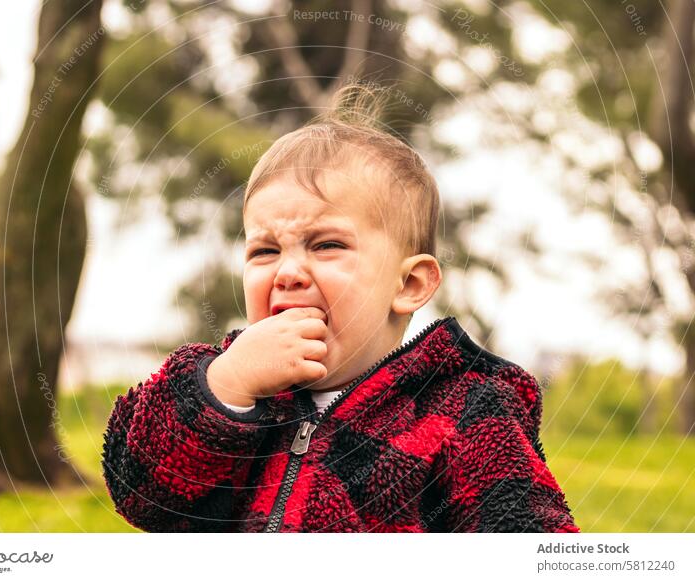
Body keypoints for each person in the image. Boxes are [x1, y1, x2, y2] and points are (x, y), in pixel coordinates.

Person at [101, 85, 579, 533]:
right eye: (264, 251)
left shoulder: (463, 414)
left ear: (409, 284)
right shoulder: (230, 391)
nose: (287, 272)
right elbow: (140, 494)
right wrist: (224, 387)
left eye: (326, 245)